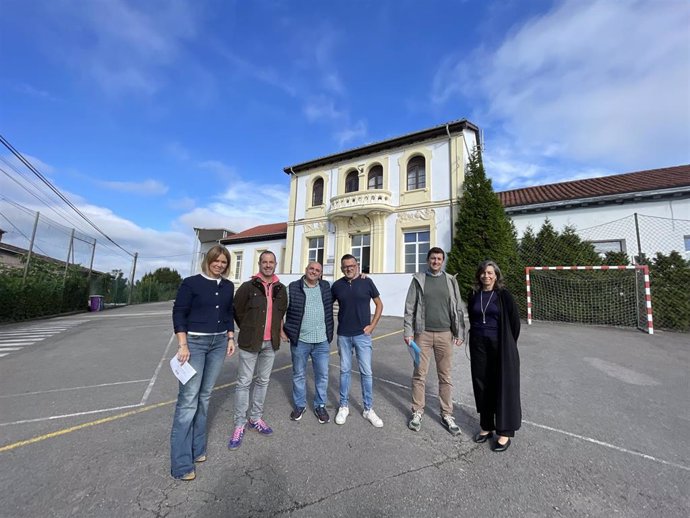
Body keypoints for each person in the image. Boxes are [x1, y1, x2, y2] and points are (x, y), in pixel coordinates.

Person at [170, 245, 236, 481]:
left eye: (224, 262)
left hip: (218, 344)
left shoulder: (228, 286)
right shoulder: (191, 283)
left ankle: (197, 449)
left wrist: (230, 337)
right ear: (208, 261)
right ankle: (180, 464)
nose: (219, 265)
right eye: (216, 261)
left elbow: (228, 313)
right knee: (188, 401)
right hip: (194, 344)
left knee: (205, 397)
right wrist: (183, 344)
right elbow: (179, 313)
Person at [228, 250, 288, 450]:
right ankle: (239, 423)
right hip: (249, 342)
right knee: (244, 383)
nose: (268, 265)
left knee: (263, 382)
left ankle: (256, 418)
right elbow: (237, 310)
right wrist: (248, 327)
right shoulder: (248, 287)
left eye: (271, 262)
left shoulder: (281, 289)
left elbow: (280, 314)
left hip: (270, 344)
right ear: (260, 263)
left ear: (275, 264)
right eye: (265, 262)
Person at [403, 247, 465, 436]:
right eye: (433, 258)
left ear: (443, 261)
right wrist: (408, 331)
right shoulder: (418, 280)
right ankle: (417, 412)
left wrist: (459, 332)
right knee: (419, 374)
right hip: (423, 334)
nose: (436, 262)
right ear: (428, 260)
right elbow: (409, 307)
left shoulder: (450, 280)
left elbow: (457, 307)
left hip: (445, 334)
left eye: (439, 259)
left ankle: (447, 414)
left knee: (445, 376)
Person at [467, 260, 521, 452]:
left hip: (500, 346)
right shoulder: (474, 295)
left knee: (502, 386)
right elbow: (472, 318)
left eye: (490, 273)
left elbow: (514, 323)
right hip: (479, 346)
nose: (486, 276)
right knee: (482, 385)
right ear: (479, 275)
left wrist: (507, 344)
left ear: (496, 275)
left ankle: (504, 432)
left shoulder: (503, 296)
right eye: (483, 272)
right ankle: (486, 426)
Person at [331, 254, 384, 427]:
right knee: (345, 371)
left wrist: (372, 326)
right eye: (345, 266)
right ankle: (344, 406)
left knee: (366, 372)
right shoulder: (337, 286)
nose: (349, 268)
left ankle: (368, 409)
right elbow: (325, 305)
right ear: (341, 268)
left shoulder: (366, 282)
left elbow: (379, 304)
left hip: (363, 335)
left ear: (357, 265)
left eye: (352, 265)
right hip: (344, 335)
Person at [282, 261, 335, 423]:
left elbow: (346, 287)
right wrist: (281, 331)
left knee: (322, 375)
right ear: (306, 270)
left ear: (320, 274)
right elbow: (280, 310)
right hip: (300, 340)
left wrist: (360, 277)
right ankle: (299, 405)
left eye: (317, 270)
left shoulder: (326, 287)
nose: (314, 272)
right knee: (299, 374)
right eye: (311, 268)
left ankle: (320, 405)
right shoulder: (292, 288)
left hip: (322, 341)